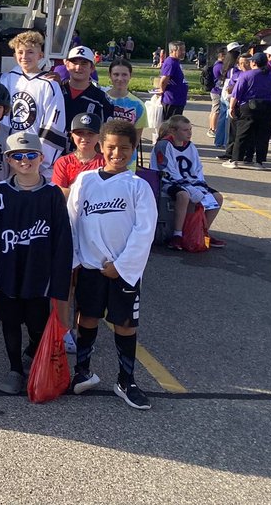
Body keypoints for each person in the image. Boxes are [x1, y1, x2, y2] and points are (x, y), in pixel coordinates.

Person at [67, 118, 158, 409]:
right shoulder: (85, 180)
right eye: (111, 148)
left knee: (125, 323)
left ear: (133, 149)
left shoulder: (138, 186)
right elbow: (73, 222)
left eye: (125, 148)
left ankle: (126, 380)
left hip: (122, 271)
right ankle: (82, 372)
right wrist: (75, 261)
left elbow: (145, 231)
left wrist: (121, 266)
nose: (117, 154)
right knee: (88, 317)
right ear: (100, 147)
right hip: (91, 268)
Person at [0, 130, 73, 395]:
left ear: (41, 158)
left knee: (37, 324)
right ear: (8, 160)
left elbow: (63, 240)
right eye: (17, 156)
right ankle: (14, 369)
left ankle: (33, 351)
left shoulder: (53, 194)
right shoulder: (1, 192)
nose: (24, 160)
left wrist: (59, 283)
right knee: (10, 322)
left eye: (31, 155)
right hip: (8, 271)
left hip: (39, 275)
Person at [2, 31, 66, 177]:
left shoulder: (49, 85)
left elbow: (54, 124)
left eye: (30, 52)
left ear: (40, 55)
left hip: (34, 158)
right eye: (20, 52)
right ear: (14, 56)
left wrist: (40, 161)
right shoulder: (7, 79)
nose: (25, 57)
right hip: (9, 154)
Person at [156, 115, 224, 250]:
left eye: (190, 129)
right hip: (168, 181)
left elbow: (197, 168)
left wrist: (199, 184)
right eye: (185, 130)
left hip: (190, 182)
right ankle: (177, 235)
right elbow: (166, 170)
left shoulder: (190, 146)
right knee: (184, 196)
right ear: (173, 131)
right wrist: (187, 186)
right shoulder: (163, 145)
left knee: (217, 198)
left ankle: (202, 232)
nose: (190, 133)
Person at [227, 51, 271, 169]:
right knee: (263, 135)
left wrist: (231, 107)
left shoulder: (247, 75)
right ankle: (259, 161)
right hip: (268, 107)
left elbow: (236, 93)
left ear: (254, 63)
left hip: (250, 106)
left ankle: (236, 160)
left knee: (243, 133)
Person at [61, 45, 112, 138]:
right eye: (74, 62)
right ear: (67, 65)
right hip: (53, 150)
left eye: (84, 63)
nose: (78, 67)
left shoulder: (101, 99)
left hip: (85, 150)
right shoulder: (56, 91)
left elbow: (106, 134)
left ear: (92, 68)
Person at [103, 59, 146, 169]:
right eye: (116, 74)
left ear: (130, 76)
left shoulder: (138, 105)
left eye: (124, 75)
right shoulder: (101, 99)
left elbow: (136, 138)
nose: (120, 79)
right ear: (110, 75)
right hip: (103, 157)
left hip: (127, 160)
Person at [53, 114, 105, 195]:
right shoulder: (63, 162)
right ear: (72, 134)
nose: (84, 137)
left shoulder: (105, 163)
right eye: (80, 133)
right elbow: (59, 193)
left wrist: (71, 191)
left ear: (99, 136)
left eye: (90, 133)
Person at [158, 40, 190, 121]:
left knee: (175, 125)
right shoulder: (170, 63)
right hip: (172, 101)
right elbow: (164, 80)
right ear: (172, 51)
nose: (184, 52)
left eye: (184, 50)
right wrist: (161, 90)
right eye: (181, 50)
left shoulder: (176, 62)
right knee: (171, 126)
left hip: (178, 100)